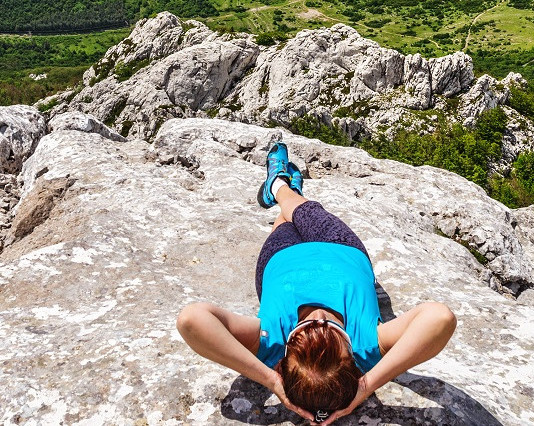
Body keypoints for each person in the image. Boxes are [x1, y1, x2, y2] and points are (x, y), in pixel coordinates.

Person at [176, 142, 458, 424]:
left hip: (280, 257)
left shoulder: (271, 339)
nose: (320, 318)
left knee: (287, 219)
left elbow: (192, 320)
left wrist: (272, 382)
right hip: (341, 247)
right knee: (305, 211)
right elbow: (440, 318)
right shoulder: (367, 344)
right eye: (334, 333)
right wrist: (366, 386)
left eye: (304, 332)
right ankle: (284, 189)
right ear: (352, 359)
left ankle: (278, 185)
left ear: (285, 359)